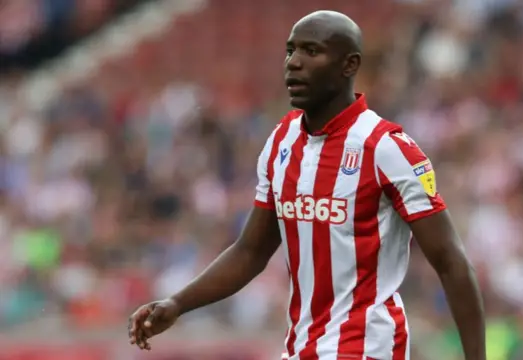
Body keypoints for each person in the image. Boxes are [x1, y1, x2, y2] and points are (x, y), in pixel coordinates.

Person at [128, 10, 486, 360]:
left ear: (349, 65)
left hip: (366, 347)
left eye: (311, 51)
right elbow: (251, 251)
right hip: (302, 348)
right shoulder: (282, 142)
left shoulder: (386, 148)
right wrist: (177, 303)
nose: (293, 62)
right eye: (290, 50)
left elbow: (450, 261)